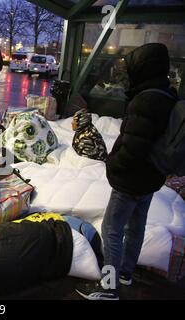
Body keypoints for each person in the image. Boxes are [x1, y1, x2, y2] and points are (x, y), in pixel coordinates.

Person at [76, 43, 178, 300]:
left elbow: (133, 146)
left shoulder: (146, 100)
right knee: (136, 226)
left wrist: (113, 165)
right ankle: (125, 274)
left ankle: (108, 287)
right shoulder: (166, 95)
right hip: (150, 177)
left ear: (143, 69)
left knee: (112, 228)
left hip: (131, 179)